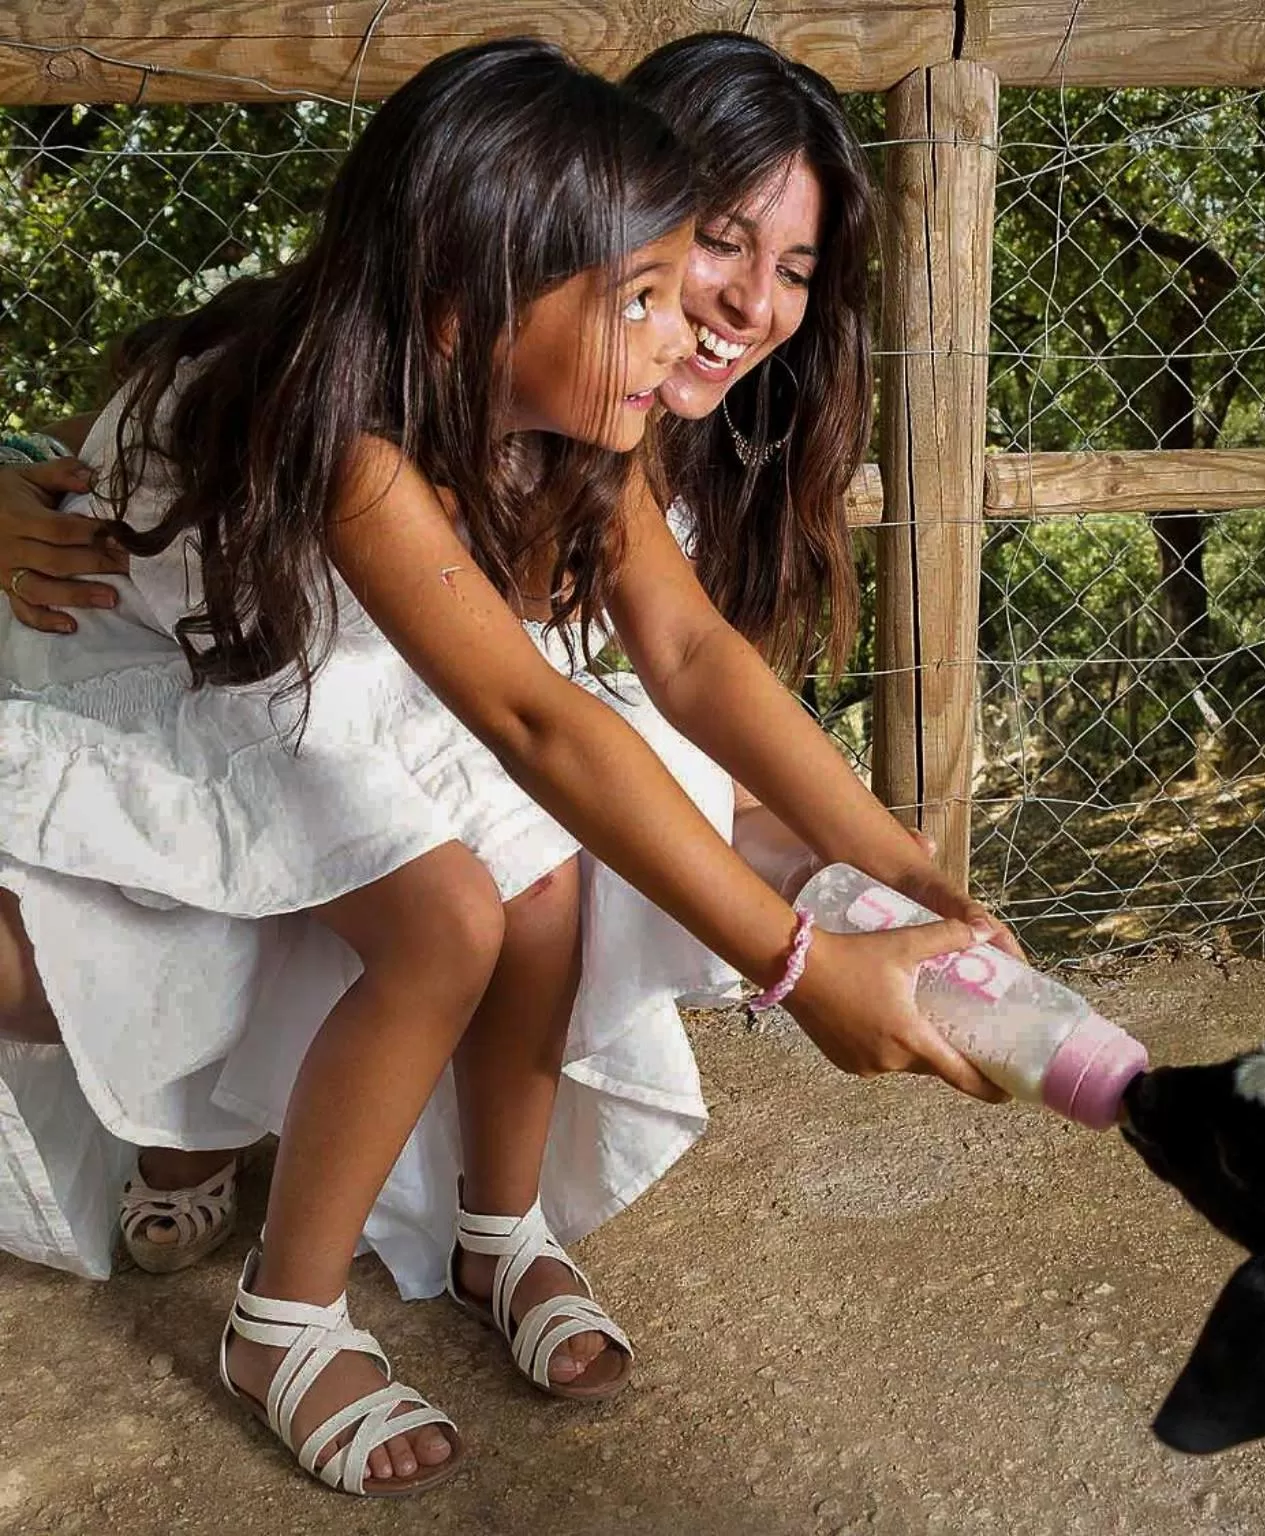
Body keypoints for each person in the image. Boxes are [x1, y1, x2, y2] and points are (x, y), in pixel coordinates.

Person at [0, 37, 1008, 1499]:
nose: (696, 327)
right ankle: (280, 1315)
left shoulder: (585, 412)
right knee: (432, 916)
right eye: (661, 284)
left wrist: (915, 874)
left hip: (349, 675)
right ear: (474, 304)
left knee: (537, 876)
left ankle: (497, 1228)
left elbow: (692, 656)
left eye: (781, 268)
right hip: (187, 671)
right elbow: (533, 719)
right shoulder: (349, 432)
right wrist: (800, 969)